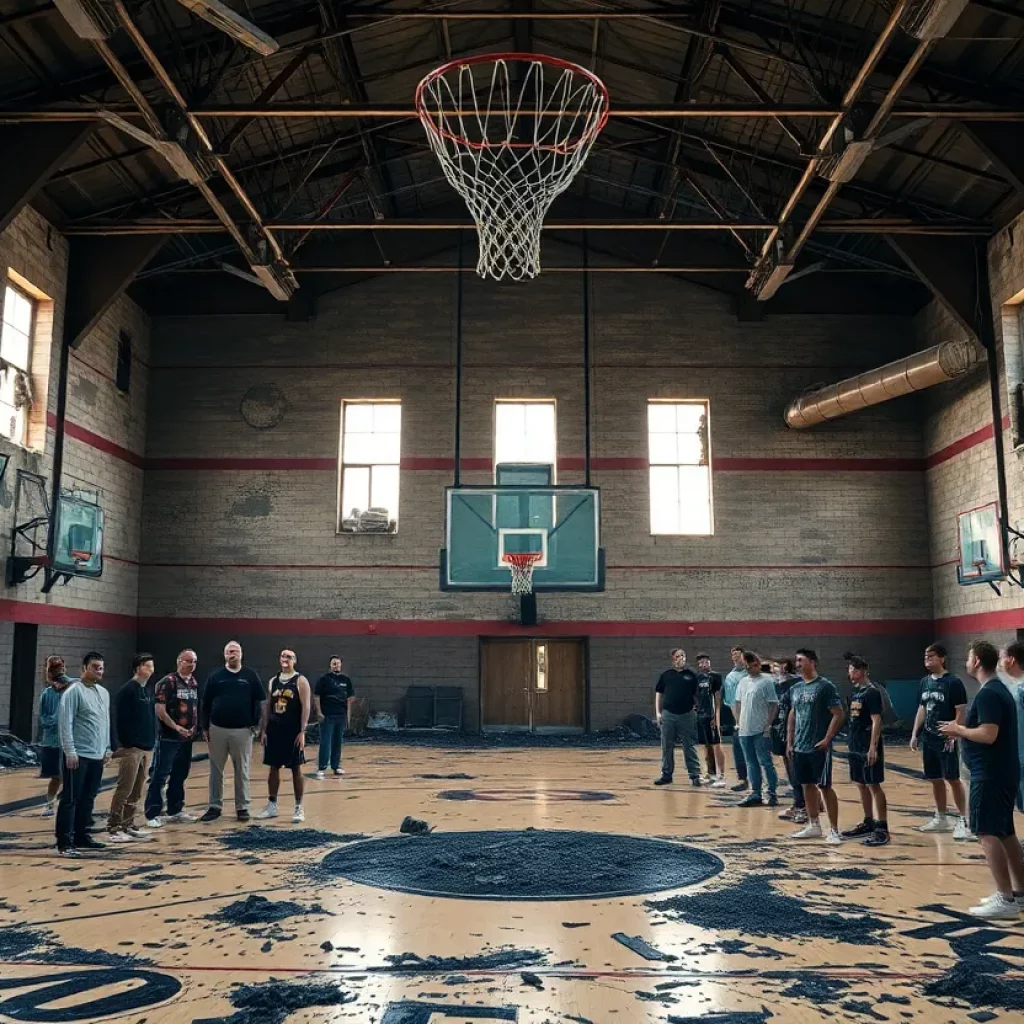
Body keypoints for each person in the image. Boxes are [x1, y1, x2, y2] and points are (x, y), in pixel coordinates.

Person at [939, 640, 1023, 919]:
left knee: (986, 831)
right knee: (1004, 832)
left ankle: (1005, 899)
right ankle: (1019, 893)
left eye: (968, 656)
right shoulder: (997, 690)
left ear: (976, 662)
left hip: (990, 774)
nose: (965, 661)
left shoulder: (989, 694)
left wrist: (958, 729)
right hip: (1001, 771)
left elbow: (988, 734)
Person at [199, 641, 266, 824]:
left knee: (242, 770)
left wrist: (260, 727)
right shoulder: (216, 676)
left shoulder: (250, 676)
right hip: (217, 729)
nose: (232, 654)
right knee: (216, 771)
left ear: (241, 654)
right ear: (224, 654)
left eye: (235, 651)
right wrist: (205, 727)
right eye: (229, 651)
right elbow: (205, 703)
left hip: (243, 731)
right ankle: (214, 806)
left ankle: (242, 807)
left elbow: (261, 702)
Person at [910, 643, 970, 837]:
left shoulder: (953, 682)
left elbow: (960, 711)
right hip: (929, 738)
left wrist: (955, 731)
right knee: (935, 779)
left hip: (946, 739)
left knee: (952, 778)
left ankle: (964, 820)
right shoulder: (924, 682)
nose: (927, 659)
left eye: (932, 656)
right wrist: (914, 733)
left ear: (942, 658)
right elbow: (922, 708)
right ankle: (941, 817)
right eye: (925, 656)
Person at [56, 652, 112, 856]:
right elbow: (65, 723)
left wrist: (107, 748)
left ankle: (82, 836)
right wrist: (70, 751)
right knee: (71, 799)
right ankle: (65, 843)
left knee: (89, 797)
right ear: (84, 668)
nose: (99, 670)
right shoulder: (73, 692)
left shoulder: (103, 693)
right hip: (78, 756)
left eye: (101, 667)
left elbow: (105, 723)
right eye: (95, 666)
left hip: (97, 756)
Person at [787, 648, 845, 844]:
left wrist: (828, 739)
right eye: (796, 661)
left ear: (812, 662)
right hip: (799, 746)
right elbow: (793, 714)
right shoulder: (796, 689)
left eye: (801, 660)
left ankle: (835, 830)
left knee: (825, 786)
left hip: (818, 746)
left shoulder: (824, 686)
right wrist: (789, 741)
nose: (797, 664)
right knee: (806, 785)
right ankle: (813, 825)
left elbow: (838, 713)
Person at [145, 650, 200, 828]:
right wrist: (176, 727)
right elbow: (160, 710)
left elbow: (194, 708)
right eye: (189, 661)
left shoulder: (193, 683)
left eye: (195, 661)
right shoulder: (167, 682)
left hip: (187, 738)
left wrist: (193, 728)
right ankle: (152, 813)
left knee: (180, 775)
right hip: (168, 738)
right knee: (160, 775)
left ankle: (175, 810)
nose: (192, 664)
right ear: (179, 661)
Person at [256, 650, 311, 823]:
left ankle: (298, 807)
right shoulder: (273, 681)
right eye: (282, 656)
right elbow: (267, 707)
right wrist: (264, 729)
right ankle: (272, 805)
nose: (285, 659)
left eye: (289, 657)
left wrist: (302, 731)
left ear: (295, 660)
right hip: (275, 730)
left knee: (296, 768)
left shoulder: (300, 680)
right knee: (273, 767)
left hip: (293, 731)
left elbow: (306, 707)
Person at [841, 654, 890, 847]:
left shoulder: (872, 692)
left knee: (873, 784)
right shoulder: (855, 692)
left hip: (868, 744)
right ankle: (868, 821)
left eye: (852, 670)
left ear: (860, 671)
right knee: (860, 783)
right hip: (855, 744)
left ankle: (882, 827)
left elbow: (876, 720)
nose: (849, 673)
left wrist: (873, 747)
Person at [107, 654, 157, 844]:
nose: (151, 670)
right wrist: (124, 744)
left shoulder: (148, 690)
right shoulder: (127, 690)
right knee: (125, 788)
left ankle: (128, 824)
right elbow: (120, 720)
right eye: (147, 666)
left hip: (147, 747)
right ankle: (114, 827)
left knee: (137, 790)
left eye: (152, 667)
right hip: (131, 748)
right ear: (138, 668)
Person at [734, 651, 779, 808]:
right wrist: (738, 722)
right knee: (750, 763)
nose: (749, 669)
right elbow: (738, 703)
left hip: (760, 730)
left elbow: (774, 704)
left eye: (751, 666)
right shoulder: (743, 682)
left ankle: (772, 793)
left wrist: (768, 725)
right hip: (745, 730)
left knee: (765, 762)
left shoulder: (766, 682)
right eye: (746, 667)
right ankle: (755, 793)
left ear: (758, 664)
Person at [653, 648, 701, 787]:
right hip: (669, 714)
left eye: (683, 656)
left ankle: (695, 775)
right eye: (678, 656)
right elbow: (659, 693)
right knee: (667, 745)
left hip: (687, 715)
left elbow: (697, 694)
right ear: (673, 659)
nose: (681, 658)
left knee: (689, 745)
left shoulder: (691, 675)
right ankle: (666, 775)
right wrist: (658, 712)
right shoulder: (667, 675)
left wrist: (696, 709)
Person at [771, 658, 805, 823]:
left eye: (779, 667)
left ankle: (802, 805)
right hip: (779, 729)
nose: (776, 670)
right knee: (787, 763)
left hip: (793, 732)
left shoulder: (797, 684)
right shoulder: (776, 685)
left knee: (795, 766)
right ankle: (803, 802)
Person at [38, 657, 71, 816]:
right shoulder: (47, 693)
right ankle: (50, 804)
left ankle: (65, 802)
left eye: (62, 668)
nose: (60, 671)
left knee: (70, 775)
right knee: (56, 776)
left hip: (70, 741)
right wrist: (55, 719)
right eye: (57, 668)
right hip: (52, 741)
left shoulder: (72, 689)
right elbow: (43, 718)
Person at [314, 656, 355, 780]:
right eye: (333, 663)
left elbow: (350, 699)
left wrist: (348, 717)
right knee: (325, 741)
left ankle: (336, 766)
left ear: (341, 665)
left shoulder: (346, 680)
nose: (336, 665)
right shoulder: (324, 679)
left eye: (338, 663)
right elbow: (316, 696)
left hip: (340, 715)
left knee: (338, 741)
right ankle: (321, 768)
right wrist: (319, 713)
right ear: (330, 665)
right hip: (327, 715)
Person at [998, 641, 1024, 817]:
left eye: (1001, 658)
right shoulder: (1013, 687)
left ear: (1011, 660)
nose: (999, 663)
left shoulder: (1021, 690)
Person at [694, 654, 725, 786]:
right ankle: (710, 773)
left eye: (706, 661)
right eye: (701, 662)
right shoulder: (697, 678)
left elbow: (717, 698)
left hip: (712, 716)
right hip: (701, 716)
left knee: (716, 745)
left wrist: (716, 717)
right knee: (706, 746)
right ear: (699, 665)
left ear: (710, 662)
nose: (704, 663)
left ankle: (721, 775)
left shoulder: (715, 677)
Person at [722, 645, 749, 791]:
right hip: (740, 720)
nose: (736, 656)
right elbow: (731, 702)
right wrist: (738, 722)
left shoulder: (751, 674)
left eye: (738, 653)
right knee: (739, 751)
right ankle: (743, 780)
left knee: (759, 753)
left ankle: (763, 784)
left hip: (756, 719)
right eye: (733, 654)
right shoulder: (731, 678)